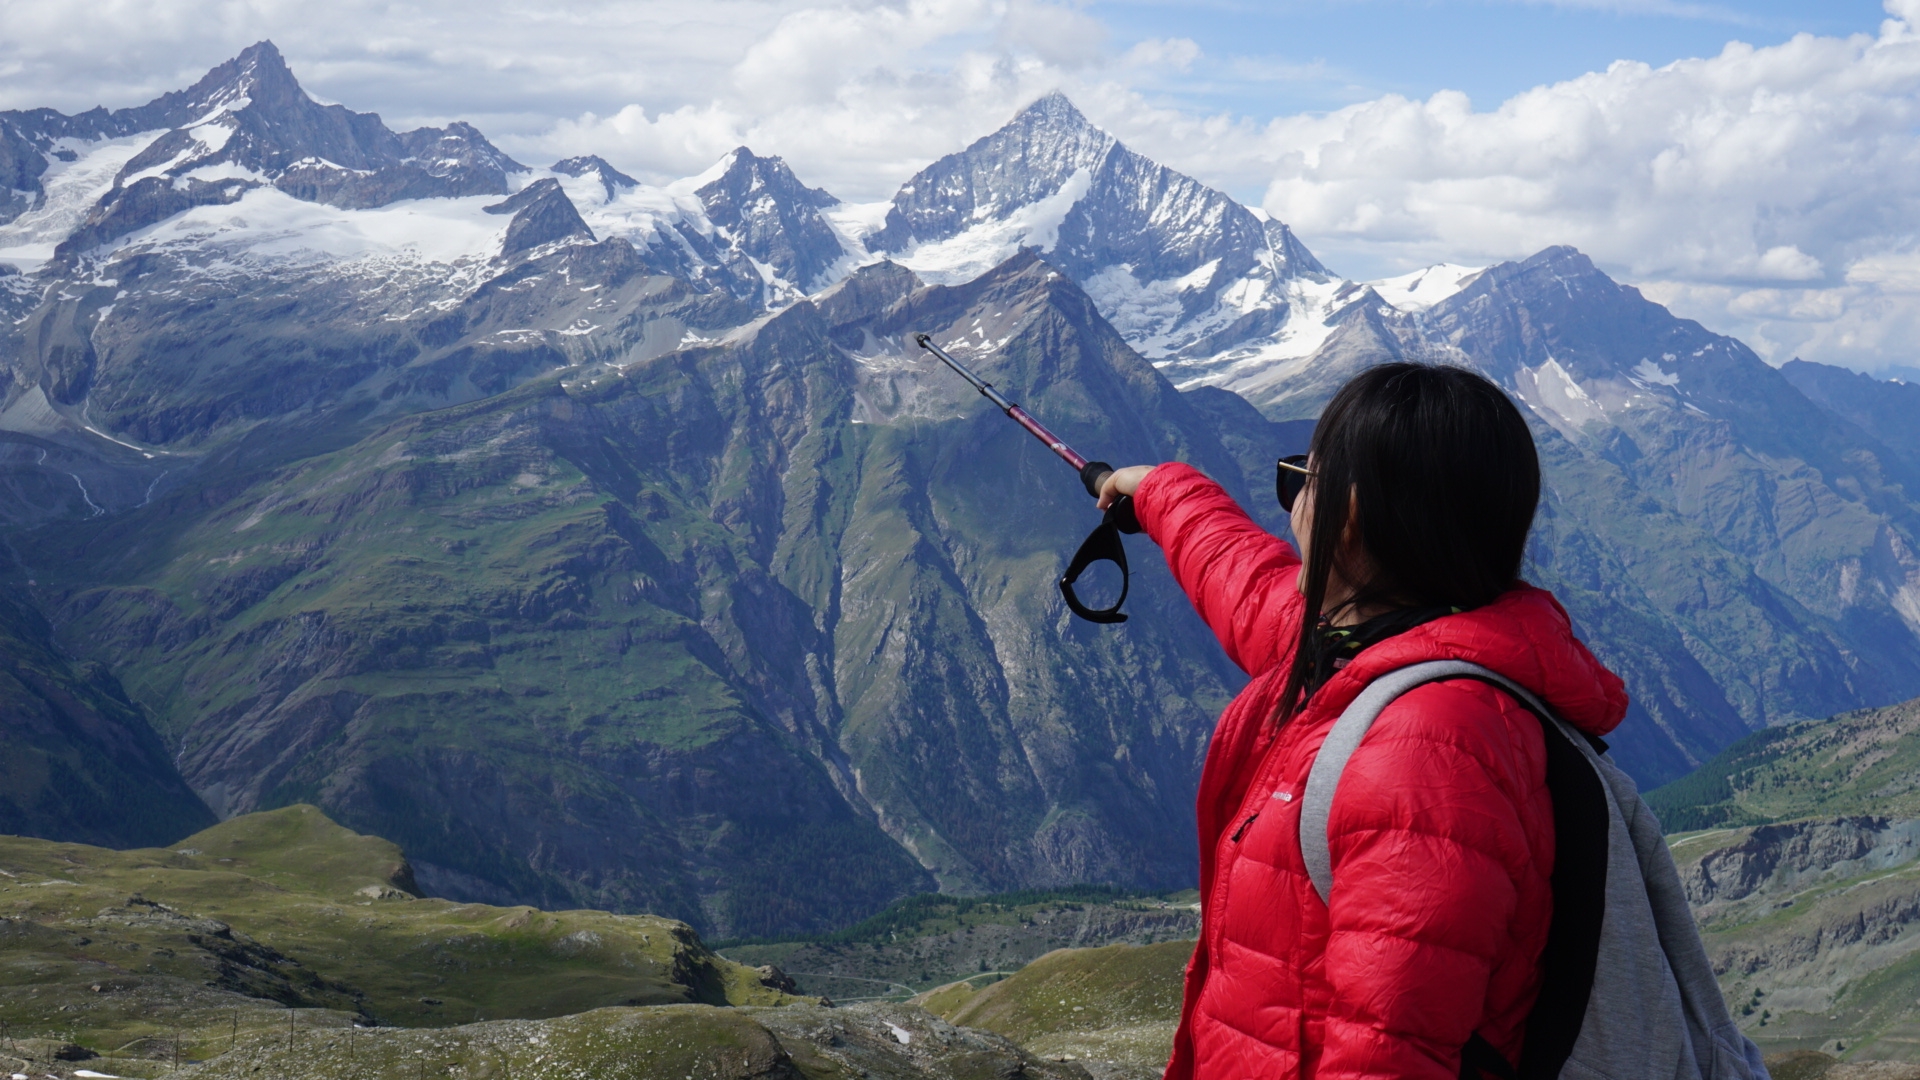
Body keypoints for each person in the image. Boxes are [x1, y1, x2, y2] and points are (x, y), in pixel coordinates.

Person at [1096, 362, 1629, 1080]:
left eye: (1300, 482)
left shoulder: (1428, 751)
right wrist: (1160, 490)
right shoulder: (1366, 642)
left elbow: (1389, 1052)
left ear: (1348, 516)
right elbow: (1246, 582)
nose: (1291, 509)